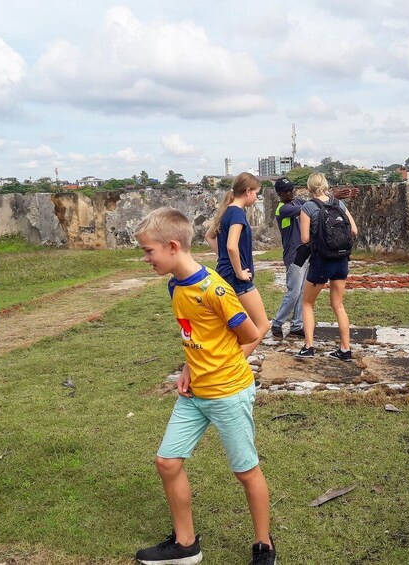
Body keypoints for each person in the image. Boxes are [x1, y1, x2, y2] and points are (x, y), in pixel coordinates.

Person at [134, 207, 276, 565]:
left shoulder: (214, 289)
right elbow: (195, 334)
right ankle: (185, 545)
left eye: (148, 251)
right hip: (195, 393)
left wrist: (219, 367)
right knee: (167, 462)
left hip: (228, 392)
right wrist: (188, 367)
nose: (145, 258)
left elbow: (252, 334)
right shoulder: (175, 285)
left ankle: (264, 545)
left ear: (171, 246)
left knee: (245, 471)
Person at [270, 177, 358, 340]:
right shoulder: (282, 209)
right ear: (279, 194)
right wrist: (333, 197)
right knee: (294, 292)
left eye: (292, 189)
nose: (290, 193)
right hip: (294, 255)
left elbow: (315, 203)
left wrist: (331, 197)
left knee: (303, 292)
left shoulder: (298, 202)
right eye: (285, 191)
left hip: (307, 252)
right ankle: (277, 322)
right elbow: (312, 206)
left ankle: (297, 325)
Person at [294, 172, 358, 361]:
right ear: (326, 185)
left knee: (307, 303)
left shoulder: (308, 207)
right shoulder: (339, 204)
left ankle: (308, 346)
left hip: (321, 261)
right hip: (341, 260)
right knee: (338, 305)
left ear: (309, 188)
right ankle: (345, 349)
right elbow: (354, 230)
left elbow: (305, 238)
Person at [205, 173, 269, 356]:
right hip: (236, 279)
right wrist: (240, 271)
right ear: (248, 191)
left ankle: (228, 362)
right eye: (256, 193)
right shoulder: (238, 214)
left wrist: (223, 257)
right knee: (262, 325)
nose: (257, 197)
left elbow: (209, 236)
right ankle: (234, 366)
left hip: (224, 274)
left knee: (237, 326)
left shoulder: (226, 211)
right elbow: (232, 246)